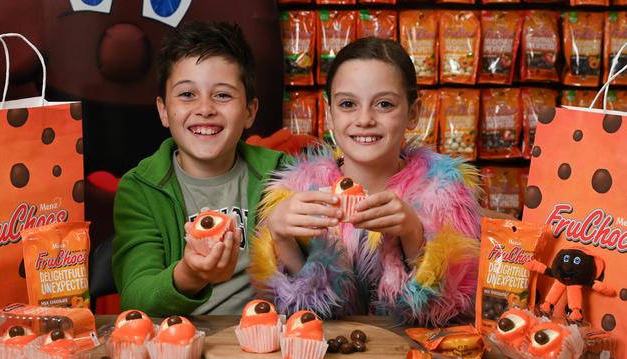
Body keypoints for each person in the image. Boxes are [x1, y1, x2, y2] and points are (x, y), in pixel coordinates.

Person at [249, 37, 481, 326]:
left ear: (413, 113)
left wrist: (412, 233)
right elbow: (297, 312)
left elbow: (452, 312)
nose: (365, 119)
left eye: (384, 104)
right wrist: (282, 238)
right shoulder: (299, 191)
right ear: (329, 112)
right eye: (348, 104)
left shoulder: (445, 194)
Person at [112, 21, 290, 317]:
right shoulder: (141, 188)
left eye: (222, 95)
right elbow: (135, 297)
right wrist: (190, 274)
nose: (205, 108)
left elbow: (327, 272)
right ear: (163, 111)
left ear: (249, 111)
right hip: (177, 344)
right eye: (186, 95)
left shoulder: (282, 175)